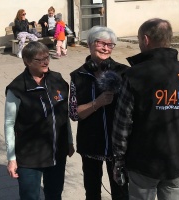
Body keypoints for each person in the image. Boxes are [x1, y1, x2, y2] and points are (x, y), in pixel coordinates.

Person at [112, 18, 179, 200]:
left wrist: (118, 160)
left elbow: (122, 125)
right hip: (178, 157)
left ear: (145, 40)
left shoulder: (133, 76)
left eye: (139, 40)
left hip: (143, 161)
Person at [4, 41, 75, 200]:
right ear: (27, 61)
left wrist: (69, 141)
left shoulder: (57, 80)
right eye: (39, 59)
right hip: (29, 157)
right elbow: (9, 124)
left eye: (47, 57)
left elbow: (63, 114)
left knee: (54, 194)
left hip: (57, 153)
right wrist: (11, 159)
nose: (46, 62)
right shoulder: (17, 88)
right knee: (30, 197)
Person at [69, 26, 129, 200]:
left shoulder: (123, 72)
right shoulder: (78, 76)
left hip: (118, 145)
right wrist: (98, 103)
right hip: (90, 144)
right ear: (89, 44)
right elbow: (74, 114)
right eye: (101, 43)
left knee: (121, 193)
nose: (105, 48)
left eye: (110, 45)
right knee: (92, 192)